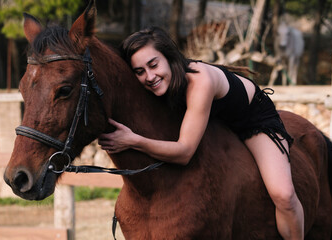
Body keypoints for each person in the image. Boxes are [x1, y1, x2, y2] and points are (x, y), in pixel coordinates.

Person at [98, 26, 304, 240]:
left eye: (153, 64)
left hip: (252, 120)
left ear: (169, 58)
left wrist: (133, 140)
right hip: (214, 122)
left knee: (284, 195)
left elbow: (184, 151)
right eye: (140, 72)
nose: (149, 76)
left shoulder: (199, 80)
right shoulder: (157, 84)